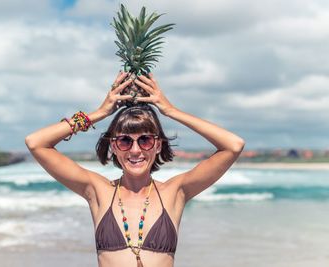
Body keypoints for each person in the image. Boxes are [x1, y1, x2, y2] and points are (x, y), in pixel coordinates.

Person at [25, 71, 245, 267]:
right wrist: (99, 113)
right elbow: (36, 142)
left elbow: (233, 145)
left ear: (158, 145)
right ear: (114, 146)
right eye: (124, 141)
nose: (135, 150)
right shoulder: (98, 191)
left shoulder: (175, 191)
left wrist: (170, 110)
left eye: (146, 140)